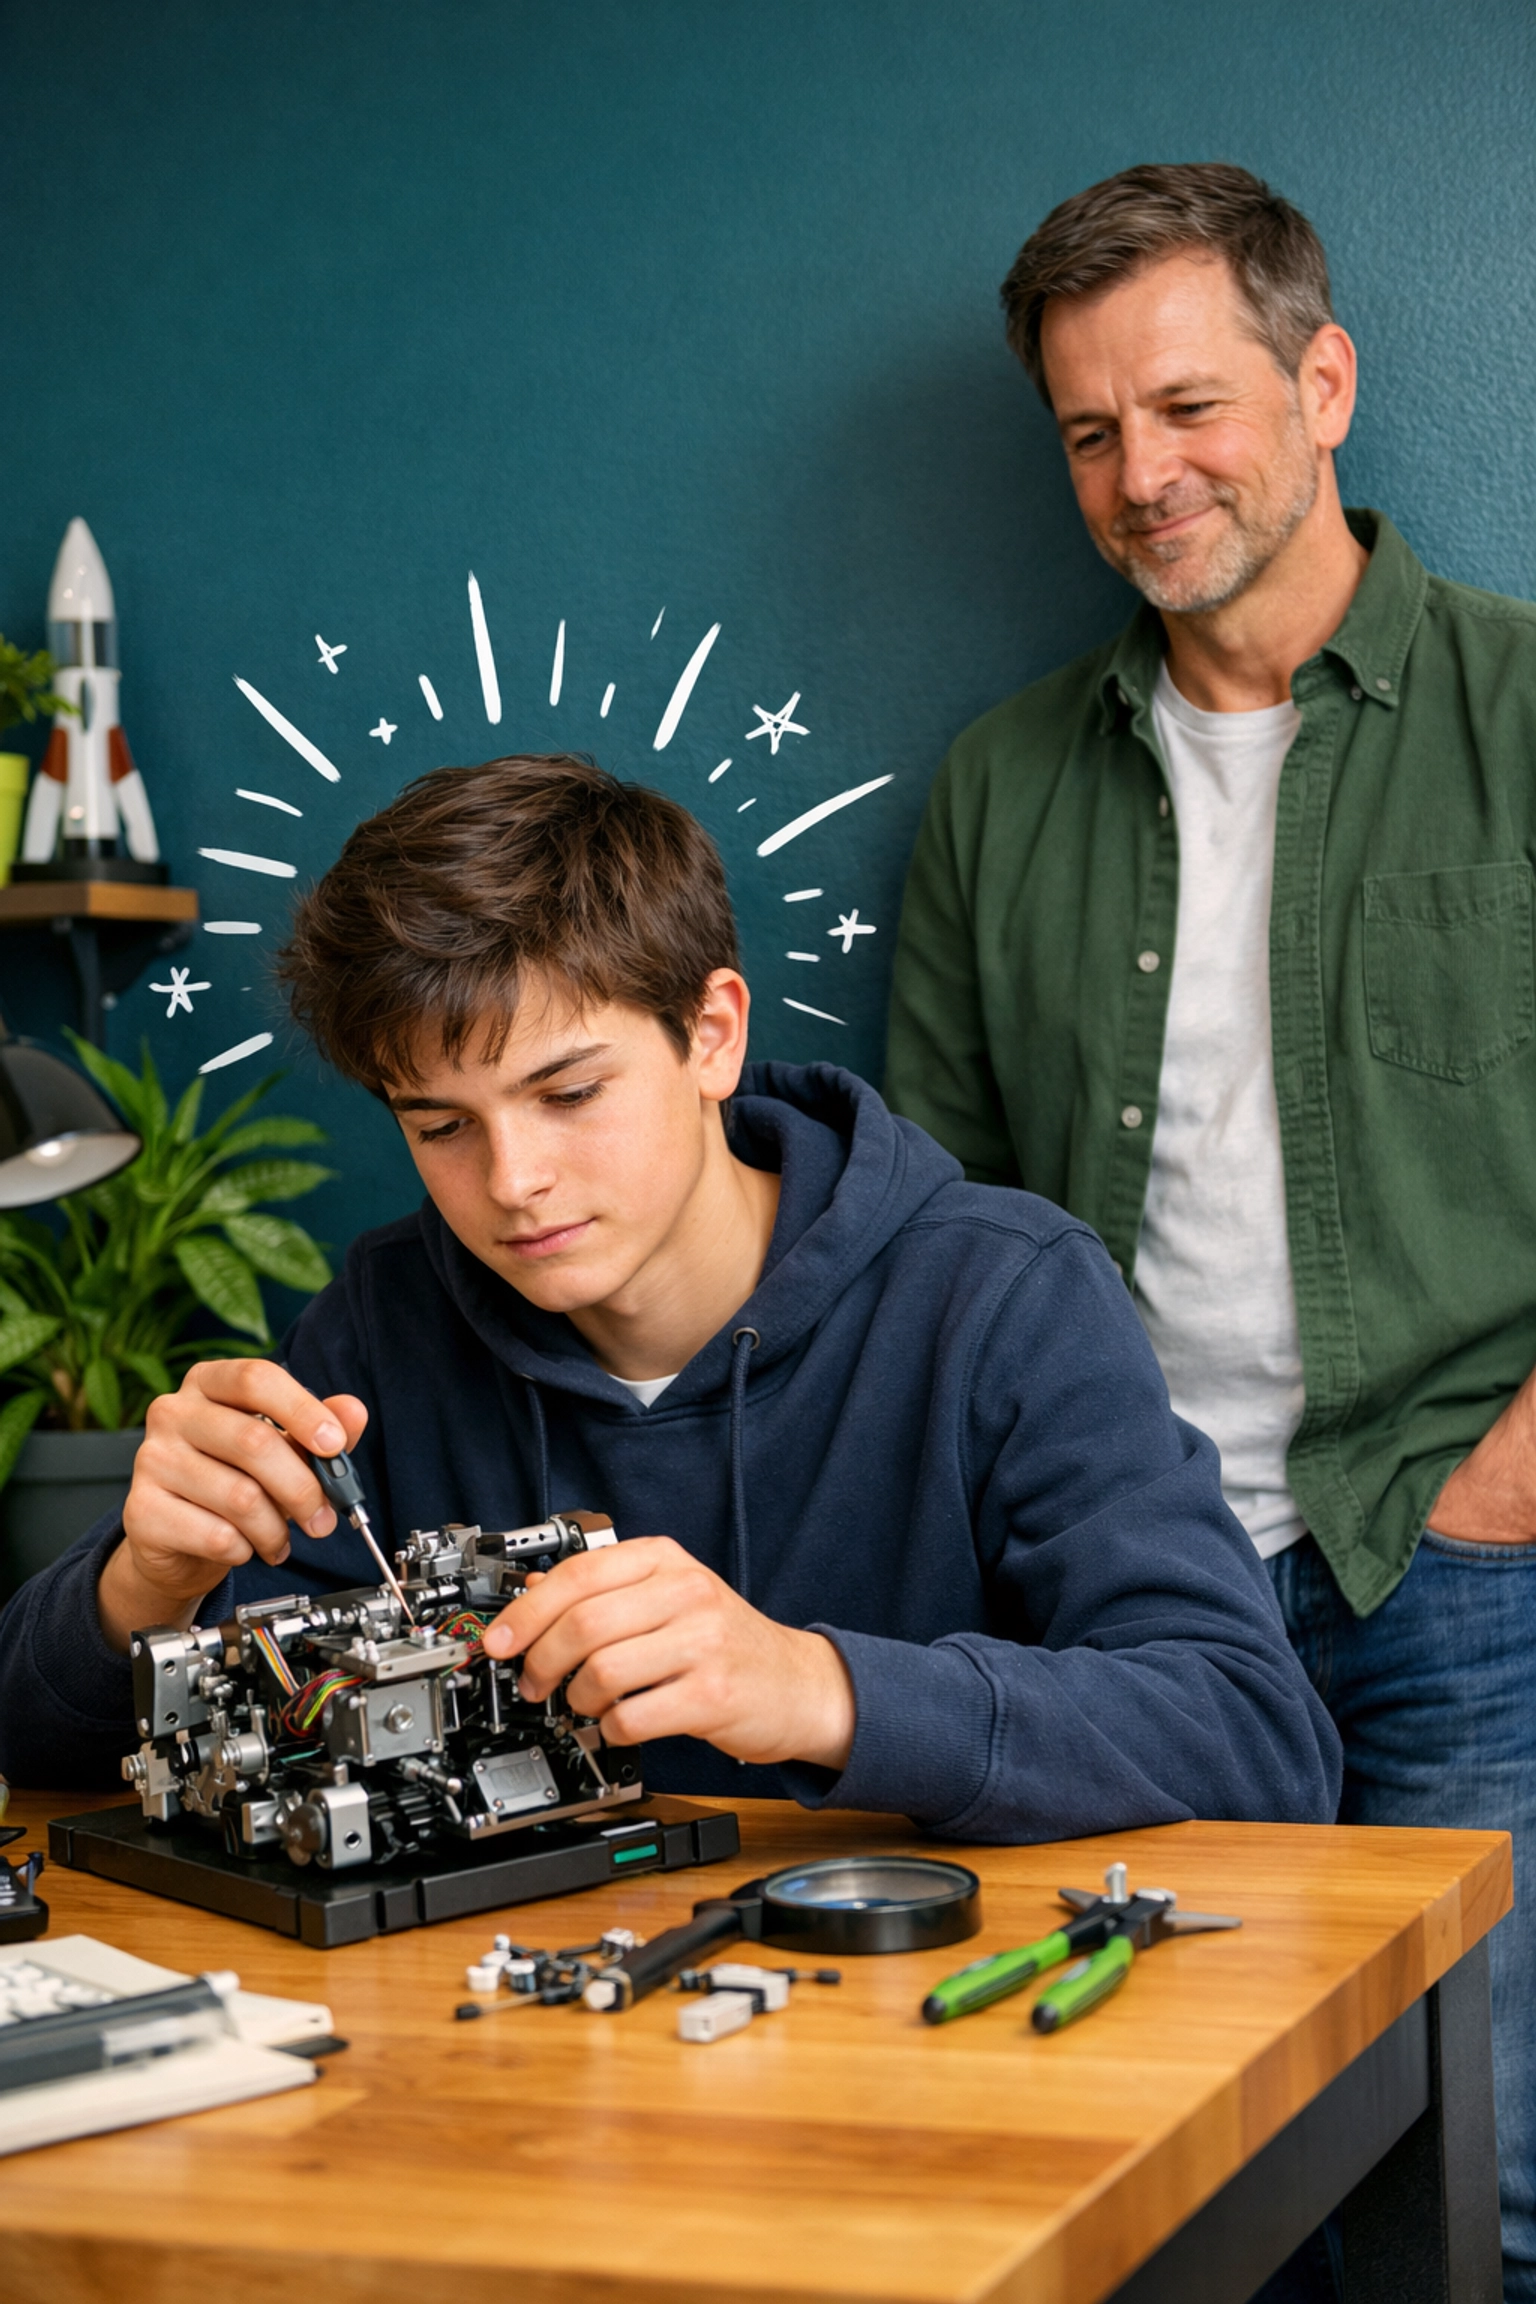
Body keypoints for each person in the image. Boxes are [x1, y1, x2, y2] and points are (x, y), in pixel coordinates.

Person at [0, 754, 1337, 1851]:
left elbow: (1255, 1739)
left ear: (713, 1033)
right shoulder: (384, 1324)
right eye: (439, 1125)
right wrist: (142, 1587)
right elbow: (58, 1751)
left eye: (569, 1094)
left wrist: (818, 1688)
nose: (514, 1183)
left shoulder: (1002, 1294)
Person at [886, 162, 1536, 2299]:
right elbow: (942, 1218)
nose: (1141, 475)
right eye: (1090, 432)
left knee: (1486, 2195)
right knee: (1177, 2197)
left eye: (1188, 409)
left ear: (1320, 380)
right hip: (1126, 1600)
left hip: (1461, 1578)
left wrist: (1509, 1482)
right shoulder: (999, 790)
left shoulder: (1525, 721)